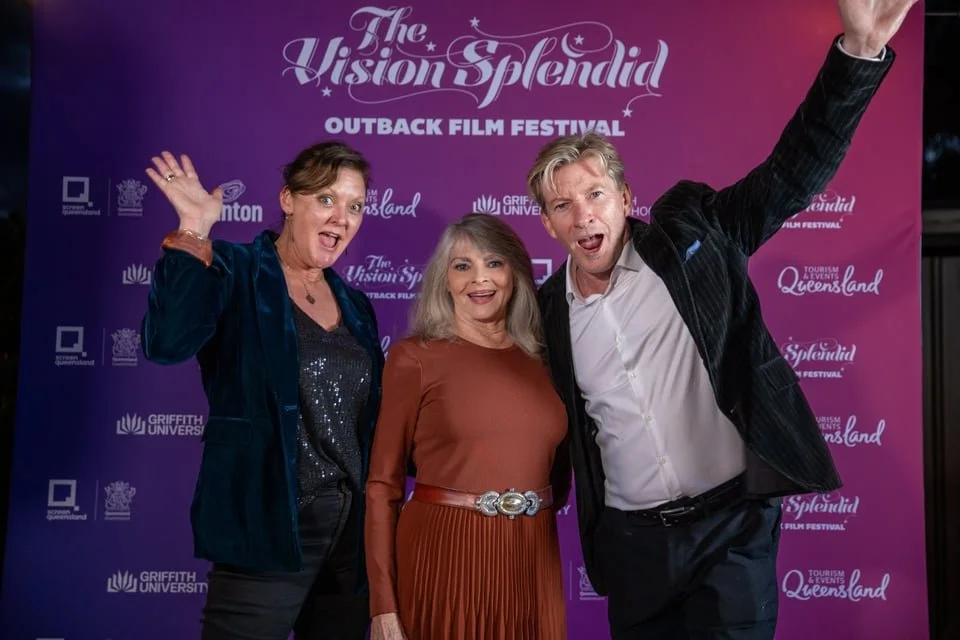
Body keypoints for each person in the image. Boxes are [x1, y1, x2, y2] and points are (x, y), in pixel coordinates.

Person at [528, 1, 917, 638]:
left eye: (596, 194)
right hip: (633, 551)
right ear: (547, 223)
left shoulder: (696, 233)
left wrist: (858, 51)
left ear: (626, 199)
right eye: (562, 205)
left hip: (730, 531)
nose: (583, 216)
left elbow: (791, 174)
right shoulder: (543, 313)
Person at [140, 141, 384, 640]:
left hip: (350, 541)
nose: (341, 216)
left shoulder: (355, 305)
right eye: (326, 199)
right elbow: (166, 343)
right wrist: (193, 229)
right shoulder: (235, 269)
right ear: (288, 200)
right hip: (269, 521)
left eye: (354, 205)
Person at [364, 213, 570, 640]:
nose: (481, 279)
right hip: (445, 556)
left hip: (532, 561)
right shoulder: (415, 359)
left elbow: (557, 471)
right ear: (445, 279)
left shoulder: (545, 361)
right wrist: (382, 604)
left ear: (515, 272)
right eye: (462, 266)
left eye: (494, 263)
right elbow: (383, 486)